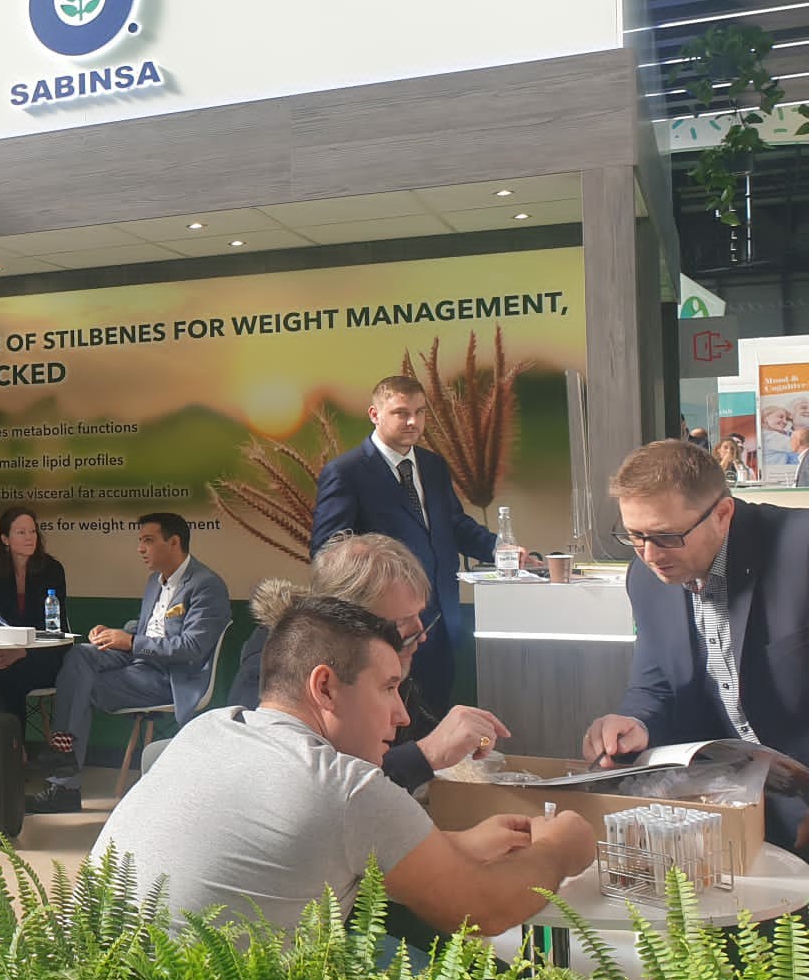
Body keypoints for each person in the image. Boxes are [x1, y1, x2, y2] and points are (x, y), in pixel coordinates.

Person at [91, 596, 596, 936]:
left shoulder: (208, 729)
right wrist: (561, 849)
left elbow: (285, 851)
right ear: (325, 687)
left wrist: (458, 845)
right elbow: (483, 908)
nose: (401, 716)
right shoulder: (345, 787)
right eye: (388, 688)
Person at [582, 440, 809, 854]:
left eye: (667, 536)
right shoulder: (646, 579)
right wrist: (634, 724)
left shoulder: (799, 548)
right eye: (635, 535)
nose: (650, 555)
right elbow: (656, 686)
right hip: (731, 805)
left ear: (722, 514)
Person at [228, 533, 509, 792]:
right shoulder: (271, 670)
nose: (421, 634)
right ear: (349, 620)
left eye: (421, 615)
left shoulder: (383, 662)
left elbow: (416, 738)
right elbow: (302, 786)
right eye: (402, 622)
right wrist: (424, 755)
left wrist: (464, 741)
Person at [310, 373, 503, 716]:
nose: (413, 422)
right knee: (392, 726)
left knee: (435, 720)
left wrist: (500, 550)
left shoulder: (433, 466)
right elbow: (328, 553)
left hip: (442, 623)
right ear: (374, 414)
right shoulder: (346, 472)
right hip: (386, 633)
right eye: (401, 413)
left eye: (420, 412)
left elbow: (453, 524)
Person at [29, 511, 228, 814]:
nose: (140, 549)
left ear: (174, 542)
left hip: (169, 678)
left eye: (148, 541)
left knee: (80, 684)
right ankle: (64, 763)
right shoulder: (154, 582)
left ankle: (64, 781)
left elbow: (192, 648)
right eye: (140, 541)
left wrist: (131, 642)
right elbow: (150, 627)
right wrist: (113, 635)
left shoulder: (206, 585)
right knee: (80, 655)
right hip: (139, 663)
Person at [0, 506, 69, 718]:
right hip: (10, 652)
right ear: (5, 539)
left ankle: (12, 739)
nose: (29, 537)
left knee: (9, 678)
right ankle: (2, 737)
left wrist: (23, 651)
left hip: (47, 654)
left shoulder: (52, 570)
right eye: (21, 532)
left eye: (32, 531)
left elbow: (55, 629)